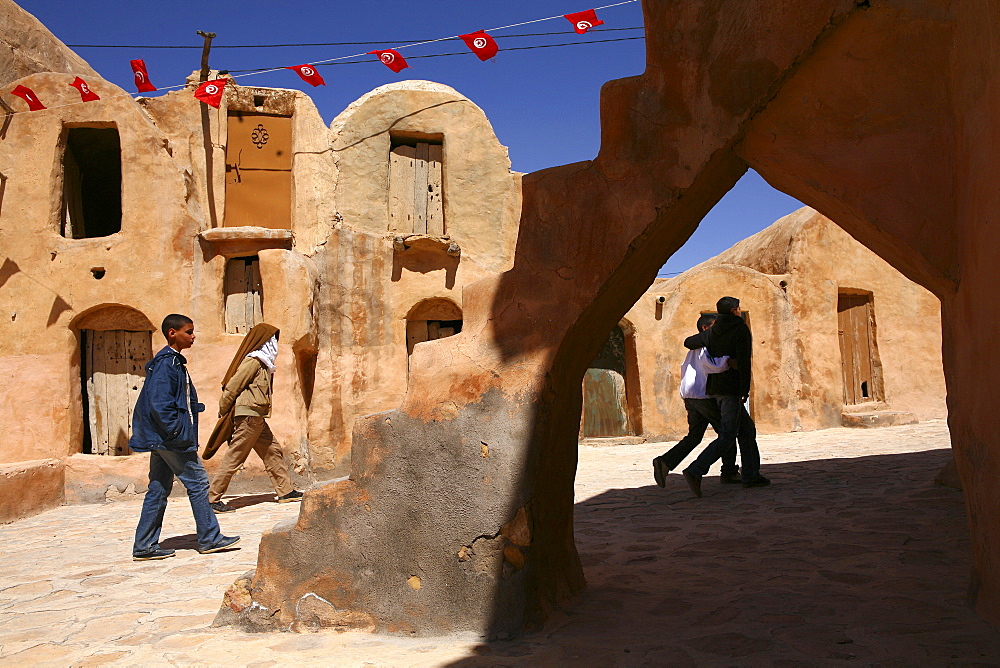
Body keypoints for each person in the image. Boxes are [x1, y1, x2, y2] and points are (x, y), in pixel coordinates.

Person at [129, 314, 240, 561]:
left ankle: (144, 545)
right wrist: (176, 433)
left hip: (163, 438)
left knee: (158, 489)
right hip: (171, 439)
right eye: (188, 331)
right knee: (199, 483)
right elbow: (160, 403)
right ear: (172, 333)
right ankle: (210, 538)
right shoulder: (167, 364)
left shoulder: (173, 363)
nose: (193, 336)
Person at [206, 323, 303, 513]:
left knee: (272, 451)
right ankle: (212, 498)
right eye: (272, 339)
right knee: (235, 456)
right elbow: (233, 385)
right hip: (249, 417)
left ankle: (285, 491)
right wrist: (224, 408)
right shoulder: (253, 361)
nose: (274, 343)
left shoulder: (264, 363)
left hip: (257, 417)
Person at [681, 296, 771, 497]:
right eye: (738, 308)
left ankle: (751, 475)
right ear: (734, 311)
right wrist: (744, 390)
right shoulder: (740, 329)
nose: (739, 311)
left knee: (746, 430)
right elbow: (744, 361)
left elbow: (690, 342)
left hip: (715, 388)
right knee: (729, 434)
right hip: (731, 389)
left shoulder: (713, 330)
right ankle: (697, 470)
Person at [652, 313, 740, 487]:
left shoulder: (697, 345)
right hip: (702, 395)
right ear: (705, 328)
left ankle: (666, 461)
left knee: (695, 436)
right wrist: (729, 361)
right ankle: (723, 471)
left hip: (691, 396)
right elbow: (712, 364)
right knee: (727, 434)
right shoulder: (706, 344)